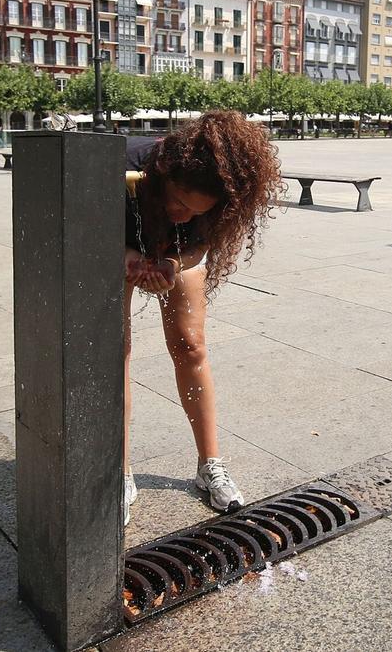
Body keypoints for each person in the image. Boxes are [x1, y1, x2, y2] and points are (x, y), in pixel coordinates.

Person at [122, 110, 281, 525]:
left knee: (190, 347)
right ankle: (118, 470)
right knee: (113, 351)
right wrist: (130, 259)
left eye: (195, 211)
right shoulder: (123, 166)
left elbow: (201, 246)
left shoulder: (221, 192)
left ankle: (209, 463)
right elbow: (82, 231)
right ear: (161, 176)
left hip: (174, 256)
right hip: (114, 243)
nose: (182, 215)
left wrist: (173, 263)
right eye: (177, 202)